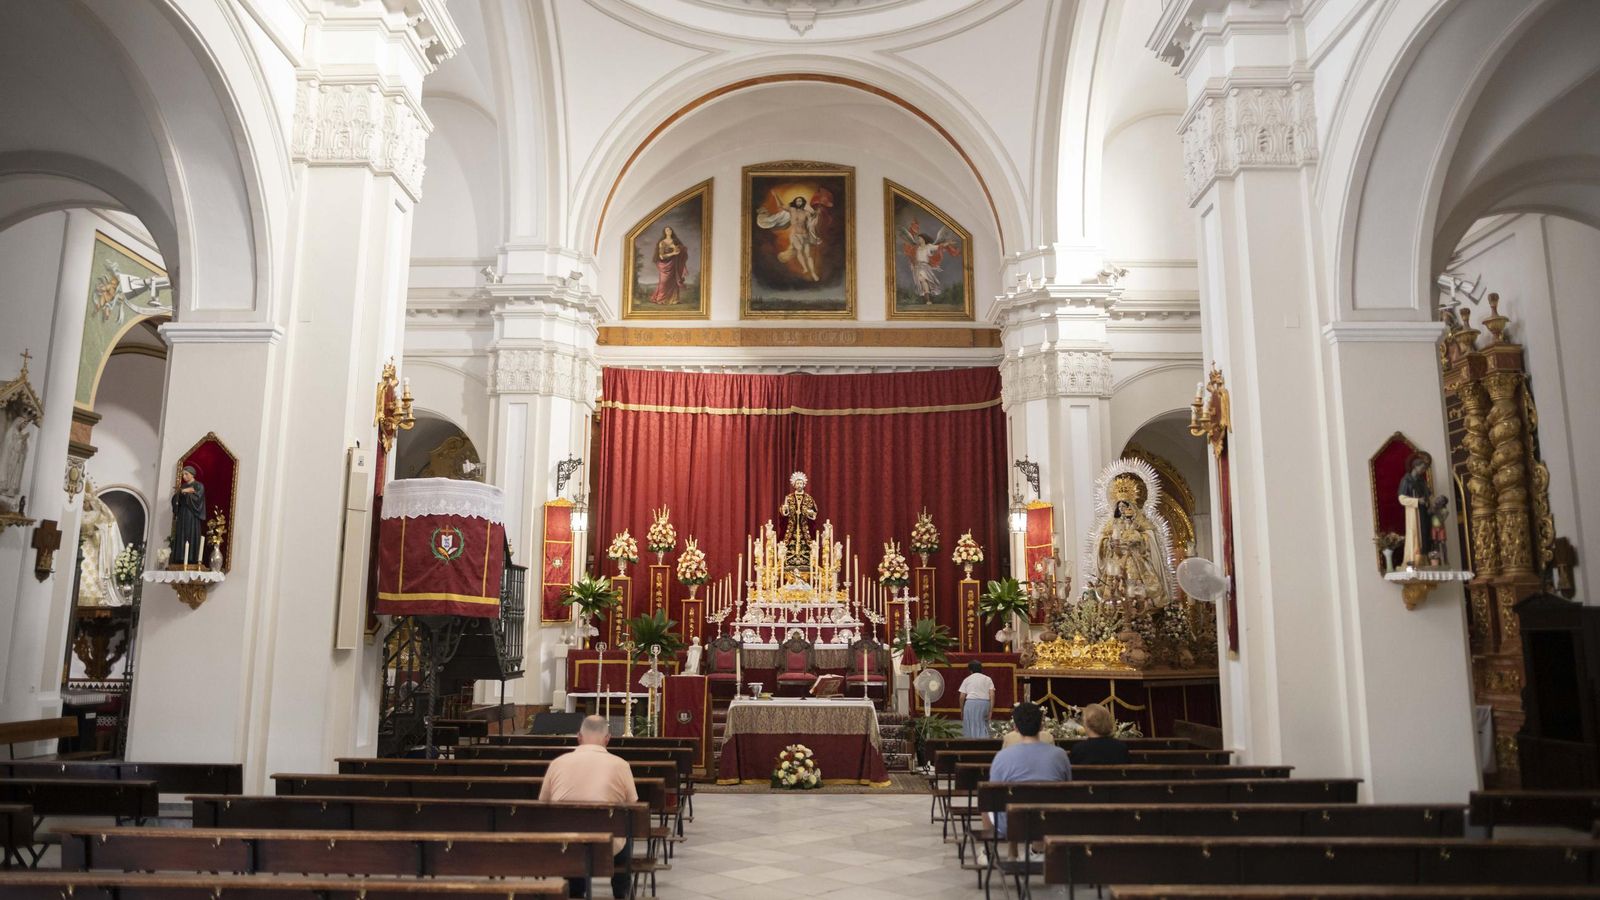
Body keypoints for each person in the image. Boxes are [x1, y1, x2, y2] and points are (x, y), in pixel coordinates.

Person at [538, 715, 638, 899]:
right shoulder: (621, 765)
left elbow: (543, 803)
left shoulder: (557, 764)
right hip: (609, 846)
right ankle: (621, 893)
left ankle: (576, 892)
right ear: (607, 739)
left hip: (567, 844)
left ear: (579, 737)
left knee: (571, 835)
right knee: (626, 830)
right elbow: (632, 804)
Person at [988, 702, 1071, 838]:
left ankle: (989, 851)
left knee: (984, 801)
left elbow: (993, 794)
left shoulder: (1002, 756)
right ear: (1042, 726)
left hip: (1012, 823)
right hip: (1052, 821)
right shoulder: (1060, 755)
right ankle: (1037, 849)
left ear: (1015, 727)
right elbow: (1067, 788)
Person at [649, 225, 687, 305]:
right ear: (664, 232)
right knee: (664, 282)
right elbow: (661, 256)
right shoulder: (662, 242)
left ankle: (674, 300)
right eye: (667, 230)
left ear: (672, 231)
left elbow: (681, 250)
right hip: (664, 264)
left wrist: (678, 250)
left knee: (673, 281)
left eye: (670, 230)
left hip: (674, 263)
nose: (669, 231)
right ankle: (661, 299)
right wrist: (673, 252)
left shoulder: (675, 241)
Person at [957, 660, 995, 739]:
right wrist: (991, 710)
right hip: (985, 703)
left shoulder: (967, 679)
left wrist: (962, 710)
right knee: (983, 725)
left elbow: (961, 697)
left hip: (970, 704)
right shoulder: (988, 679)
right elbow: (992, 695)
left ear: (970, 670)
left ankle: (971, 747)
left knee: (970, 726)